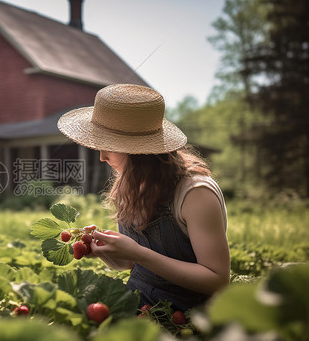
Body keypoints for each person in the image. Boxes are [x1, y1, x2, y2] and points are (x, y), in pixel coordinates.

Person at [57, 84, 230, 311]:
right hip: (139, 303)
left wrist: (139, 253)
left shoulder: (195, 193)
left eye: (108, 146)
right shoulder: (128, 184)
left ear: (139, 152)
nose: (102, 157)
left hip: (187, 314)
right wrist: (105, 250)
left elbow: (217, 280)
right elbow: (132, 263)